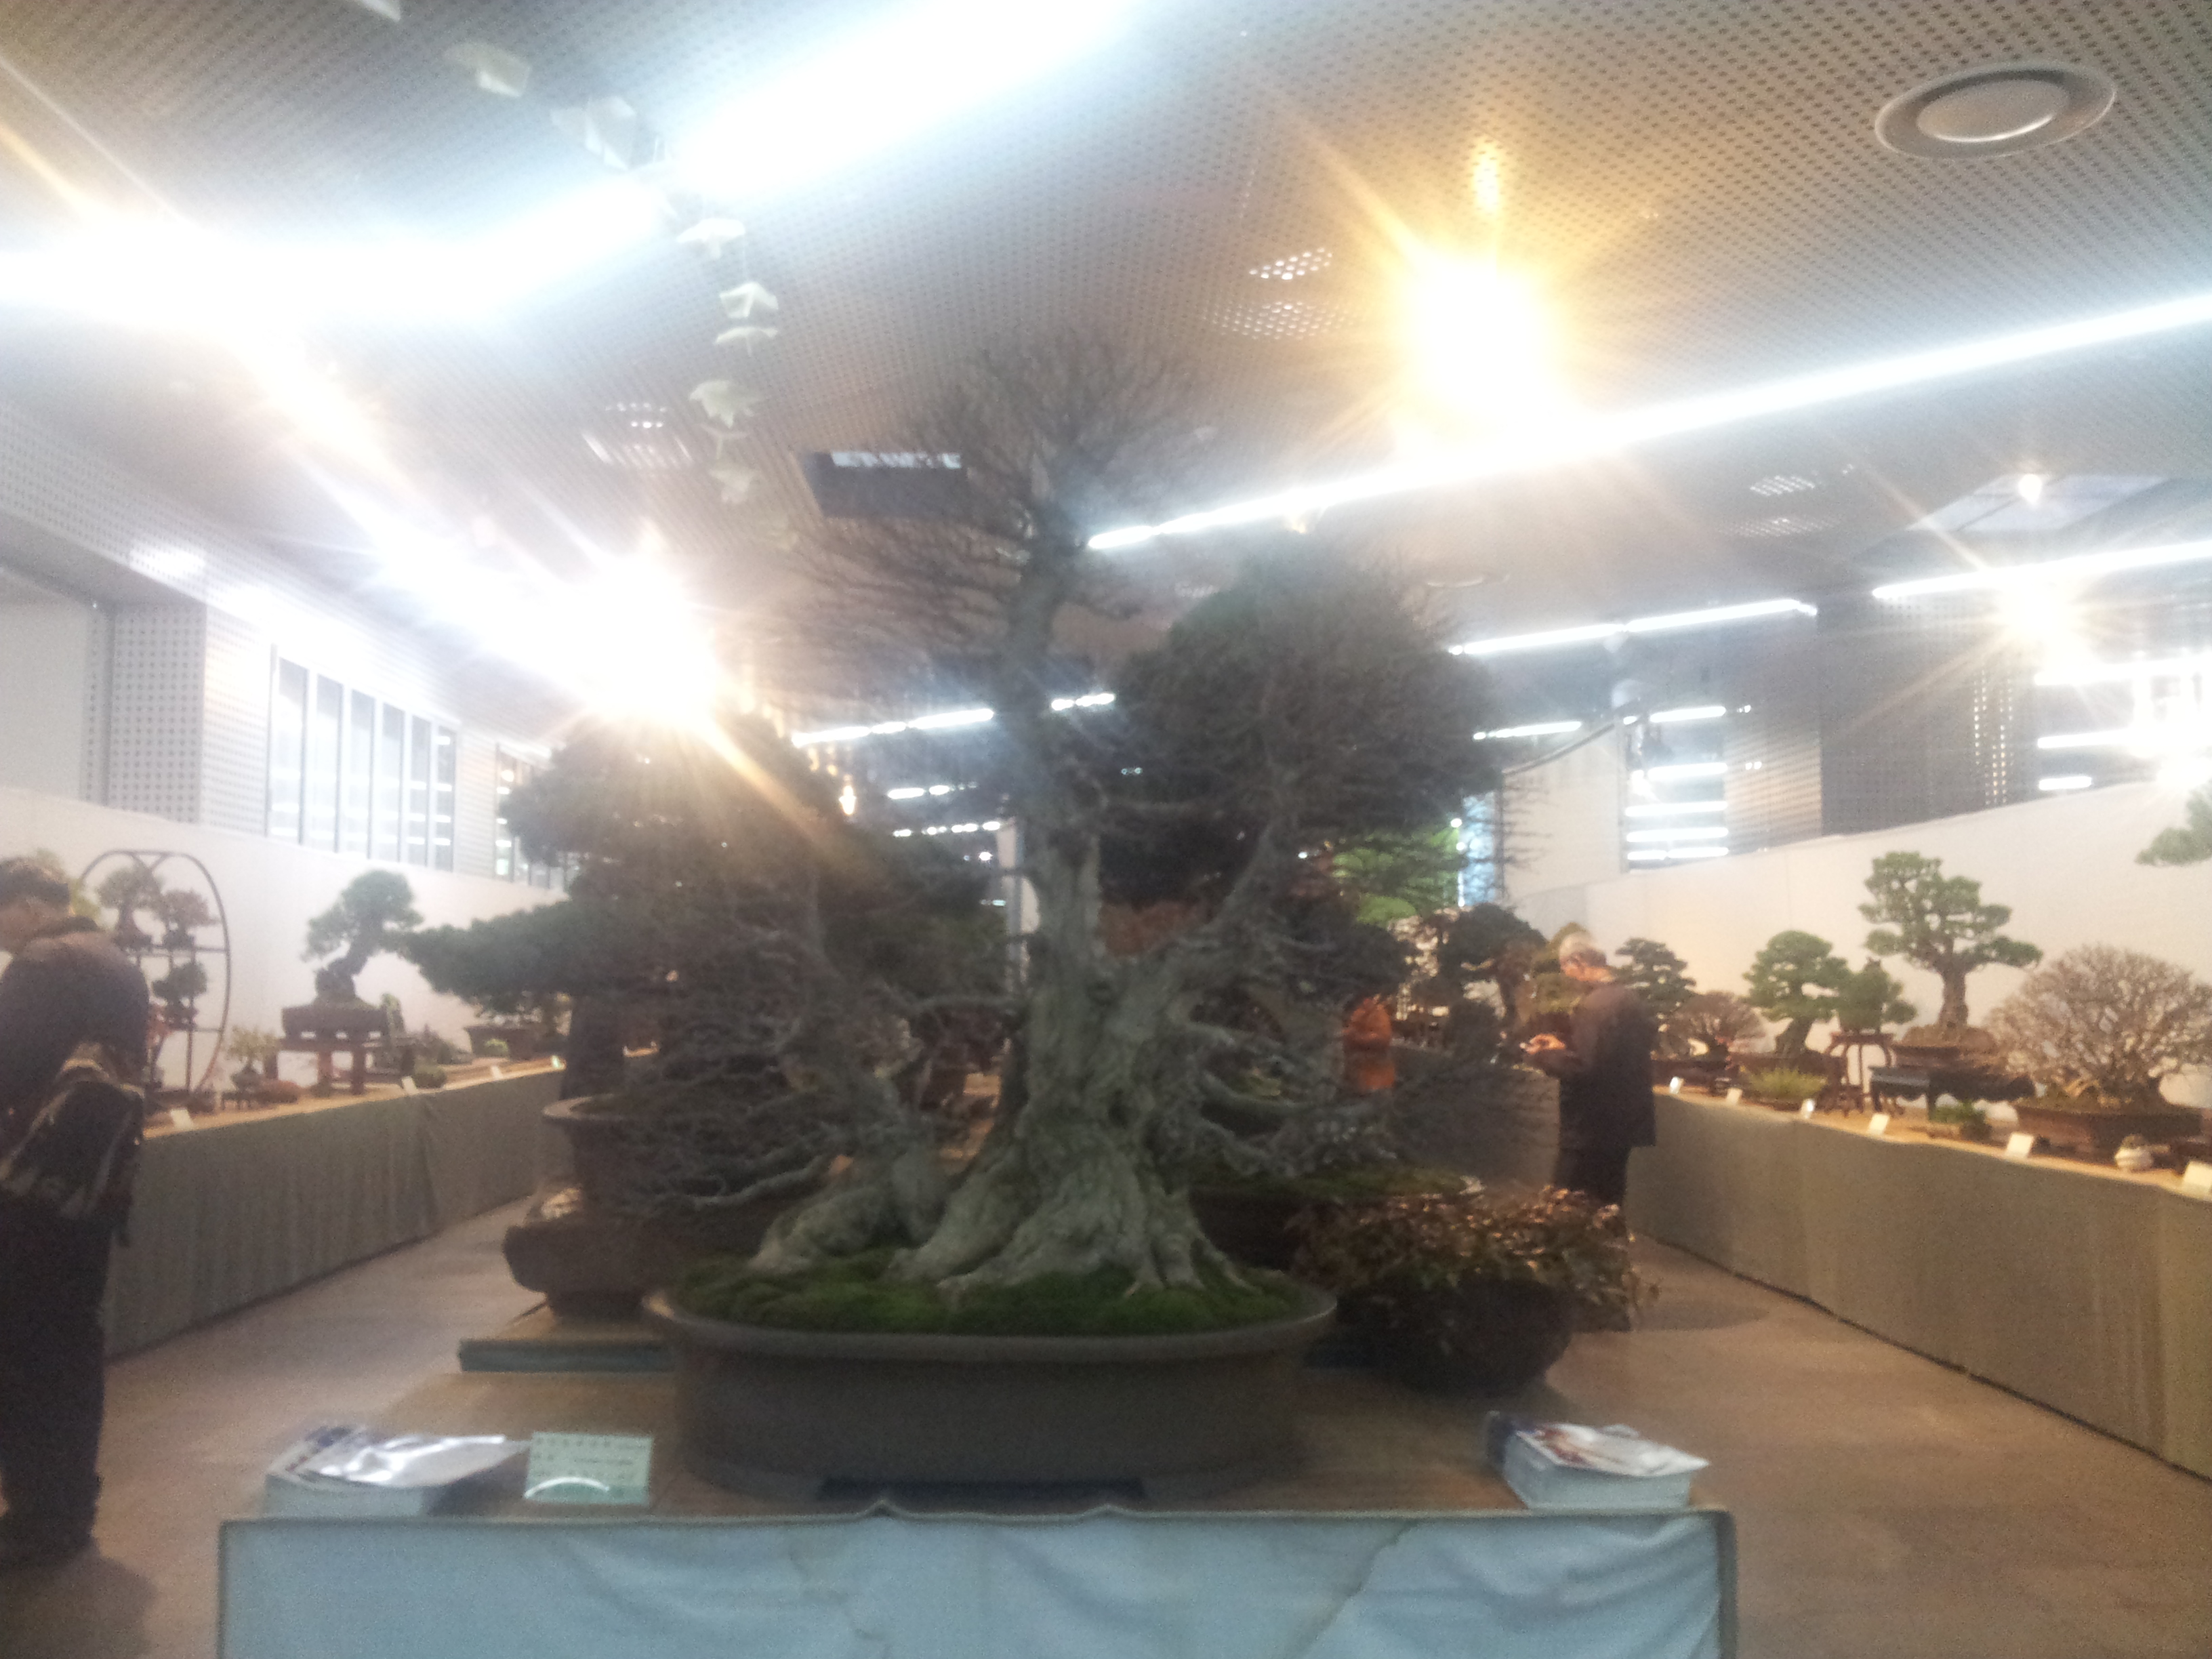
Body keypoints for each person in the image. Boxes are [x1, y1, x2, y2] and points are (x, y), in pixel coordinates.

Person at [0, 857, 149, 1571]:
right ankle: (67, 1505)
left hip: (30, 1184)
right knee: (69, 1340)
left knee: (24, 1347)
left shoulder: (42, 963)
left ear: (29, 906)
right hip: (90, 1183)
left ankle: (38, 1512)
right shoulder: (117, 963)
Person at [1521, 940, 1656, 1211]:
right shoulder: (1630, 999)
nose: (1566, 976)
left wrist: (1542, 1056)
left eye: (1565, 967)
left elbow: (1585, 1067)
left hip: (1590, 1125)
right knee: (1608, 1204)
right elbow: (1611, 1057)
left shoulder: (1593, 1006)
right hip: (1623, 1122)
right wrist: (1564, 1048)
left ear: (1579, 962)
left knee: (1567, 1205)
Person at [1341, 994, 1395, 1094]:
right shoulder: (1358, 1012)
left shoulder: (1378, 1014)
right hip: (1358, 1074)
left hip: (1376, 1077)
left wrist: (1356, 1037)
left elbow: (1382, 1038)